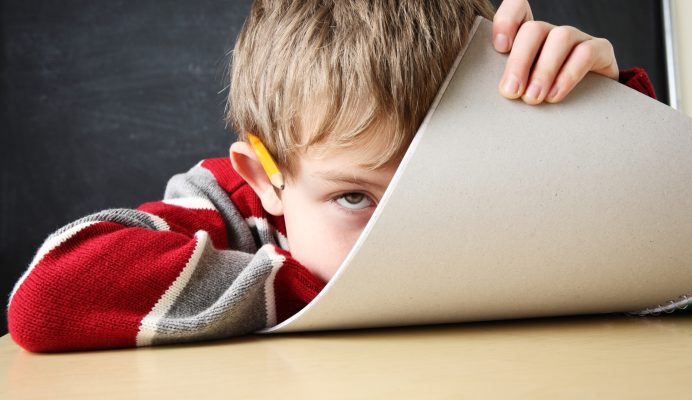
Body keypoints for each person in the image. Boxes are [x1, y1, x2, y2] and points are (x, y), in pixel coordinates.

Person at [7, 0, 656, 352]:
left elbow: (670, 268)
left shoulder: (510, 184)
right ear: (266, 180)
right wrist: (338, 299)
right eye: (355, 197)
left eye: (438, 183)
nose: (408, 239)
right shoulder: (233, 209)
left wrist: (599, 126)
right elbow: (47, 299)